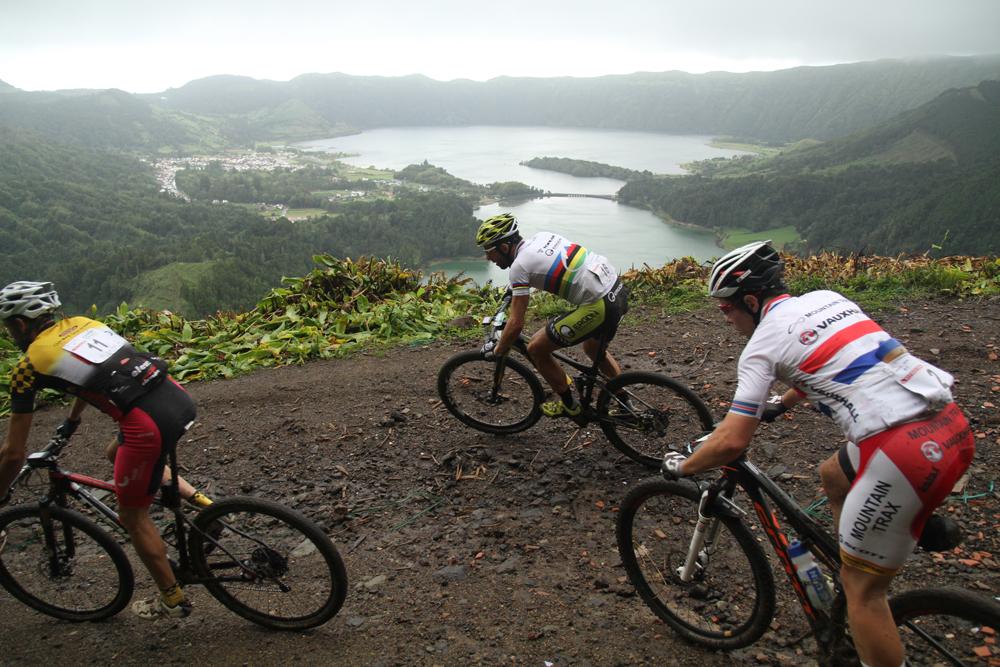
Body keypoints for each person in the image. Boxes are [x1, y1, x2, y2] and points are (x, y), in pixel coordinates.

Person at [659, 241, 974, 667]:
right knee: (833, 476)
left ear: (751, 301)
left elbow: (732, 442)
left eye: (726, 308)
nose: (726, 317)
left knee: (864, 592)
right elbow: (838, 357)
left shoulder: (760, 347)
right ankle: (886, 533)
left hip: (902, 453)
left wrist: (684, 466)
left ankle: (861, 584)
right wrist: (782, 404)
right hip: (950, 424)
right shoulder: (829, 299)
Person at [0, 281, 213, 621]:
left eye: (9, 326)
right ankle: (208, 507)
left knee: (133, 517)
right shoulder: (86, 324)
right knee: (117, 454)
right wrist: (70, 423)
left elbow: (13, 454)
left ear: (21, 324)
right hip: (177, 399)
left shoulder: (28, 367)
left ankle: (172, 600)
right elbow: (89, 377)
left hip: (146, 425)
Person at [476, 213, 629, 421]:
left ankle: (571, 407)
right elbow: (542, 266)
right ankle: (626, 406)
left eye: (489, 251)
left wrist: (498, 350)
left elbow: (516, 323)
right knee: (593, 350)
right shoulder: (542, 237)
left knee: (536, 348)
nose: (487, 258)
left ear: (503, 247)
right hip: (617, 291)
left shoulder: (519, 267)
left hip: (600, 305)